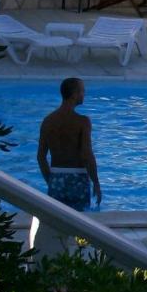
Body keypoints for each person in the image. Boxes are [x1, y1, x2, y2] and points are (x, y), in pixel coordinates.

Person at [37, 77, 101, 210]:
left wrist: (51, 180)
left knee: (57, 223)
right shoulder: (82, 122)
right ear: (74, 94)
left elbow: (41, 157)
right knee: (79, 223)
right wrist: (96, 181)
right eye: (82, 91)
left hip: (56, 176)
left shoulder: (48, 121)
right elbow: (86, 154)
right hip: (78, 178)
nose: (84, 94)